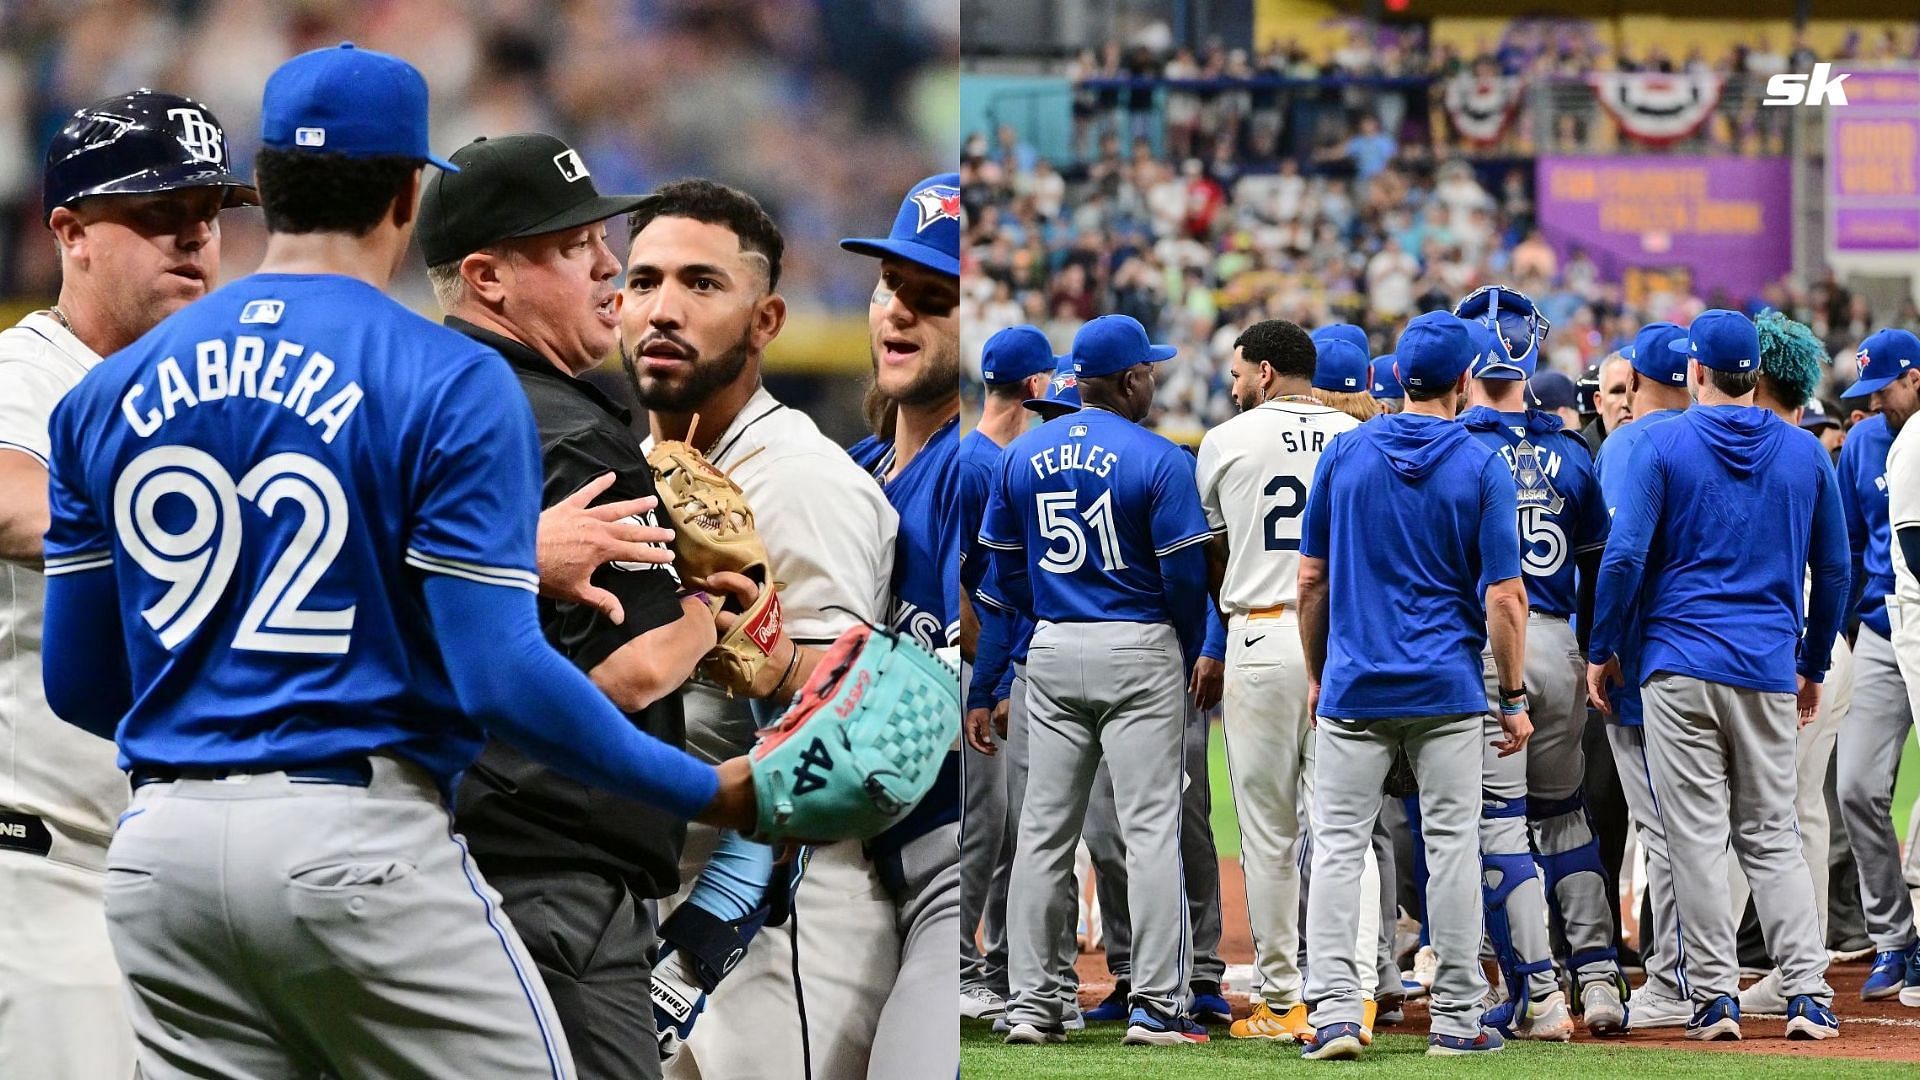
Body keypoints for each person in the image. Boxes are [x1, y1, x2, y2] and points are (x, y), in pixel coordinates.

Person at [39, 45, 765, 1079]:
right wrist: (712, 791)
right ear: (407, 192)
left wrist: (228, 730)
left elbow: (83, 684)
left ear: (272, 184)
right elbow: (500, 677)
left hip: (162, 856)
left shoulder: (100, 397)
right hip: (357, 834)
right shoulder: (450, 377)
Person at [415, 131, 729, 1079]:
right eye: (570, 246)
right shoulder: (568, 427)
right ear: (486, 276)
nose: (609, 266)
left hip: (434, 856)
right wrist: (711, 614)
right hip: (553, 874)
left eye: (605, 237)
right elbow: (631, 672)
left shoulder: (419, 397)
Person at [615, 179, 899, 1080]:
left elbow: (827, 753)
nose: (663, 307)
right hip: (665, 905)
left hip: (781, 929)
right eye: (645, 280)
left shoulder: (797, 481)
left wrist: (704, 938)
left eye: (702, 284)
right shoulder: (630, 469)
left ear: (767, 318)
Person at [0, 87, 256, 1080]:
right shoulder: (28, 371)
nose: (193, 239)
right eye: (155, 215)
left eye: (207, 214)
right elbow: (17, 505)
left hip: (188, 893)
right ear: (71, 232)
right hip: (46, 878)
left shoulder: (221, 398)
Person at [1587, 309, 1848, 1043]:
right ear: (1754, 375)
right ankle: (1806, 992)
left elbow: (1627, 556)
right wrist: (1813, 662)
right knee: (1771, 834)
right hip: (1767, 663)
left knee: (1696, 838)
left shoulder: (1662, 442)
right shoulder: (1804, 454)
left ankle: (1713, 999)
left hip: (1677, 665)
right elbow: (1833, 569)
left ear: (1696, 371)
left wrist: (1604, 647)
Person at [1298, 310, 1529, 1060]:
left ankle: (1335, 1013)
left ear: (1397, 378)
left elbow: (1310, 582)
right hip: (1446, 687)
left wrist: (1316, 671)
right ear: (1466, 382)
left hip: (1356, 684)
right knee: (1454, 851)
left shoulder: (1345, 454)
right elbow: (1505, 597)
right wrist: (1515, 696)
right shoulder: (1481, 463)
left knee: (1337, 850)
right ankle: (1459, 1020)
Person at [983, 314, 1212, 1047]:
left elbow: (1006, 569)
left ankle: (1032, 1004)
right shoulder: (1159, 456)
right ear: (1128, 379)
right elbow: (1184, 577)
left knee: (1043, 836)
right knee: (1150, 831)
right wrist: (1183, 642)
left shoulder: (1023, 453)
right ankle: (1154, 1005)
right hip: (1139, 639)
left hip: (1051, 646)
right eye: (1149, 370)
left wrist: (1044, 611)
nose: (1155, 378)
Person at [1454, 299, 1621, 1039]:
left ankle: (1536, 990)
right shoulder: (1573, 454)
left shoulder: (1456, 449)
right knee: (1565, 814)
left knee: (1499, 825)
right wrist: (1597, 651)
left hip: (1493, 643)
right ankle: (1601, 976)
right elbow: (1598, 567)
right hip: (1563, 640)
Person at [1196, 319, 1359, 1043]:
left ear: (1264, 372)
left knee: (1267, 832)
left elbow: (1212, 552)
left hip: (1260, 629)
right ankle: (1349, 995)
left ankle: (1283, 998)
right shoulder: (1355, 437)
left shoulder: (1228, 439)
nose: (1233, 385)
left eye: (1238, 372)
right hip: (1347, 636)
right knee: (1342, 824)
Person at [842, 172, 965, 1077]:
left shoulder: (978, 465)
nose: (899, 312)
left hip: (952, 862)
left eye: (935, 299)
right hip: (858, 861)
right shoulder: (860, 465)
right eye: (892, 286)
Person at [1736, 312, 1856, 1017]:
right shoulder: (1810, 449)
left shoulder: (1740, 441)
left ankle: (1706, 969)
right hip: (1824, 648)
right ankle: (1797, 967)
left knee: (1742, 817)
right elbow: (1836, 569)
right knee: (1802, 813)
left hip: (1773, 647)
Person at [1590, 320, 1693, 1030]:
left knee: (1662, 827)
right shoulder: (1736, 434)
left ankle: (1678, 979)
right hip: (1748, 657)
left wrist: (1601, 646)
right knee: (1749, 829)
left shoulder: (1634, 443)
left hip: (1647, 660)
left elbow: (1619, 560)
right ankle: (1730, 977)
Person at [958, 326, 1056, 1021]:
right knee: (982, 825)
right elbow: (960, 584)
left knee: (1016, 828)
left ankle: (991, 967)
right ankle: (961, 966)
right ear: (1033, 387)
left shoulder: (1010, 456)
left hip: (1011, 664)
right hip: (982, 667)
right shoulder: (976, 464)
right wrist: (985, 679)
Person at [1833, 329, 1920, 1007]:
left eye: (1883, 389)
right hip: (1883, 636)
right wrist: (1846, 635)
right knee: (1857, 784)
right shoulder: (1862, 443)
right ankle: (1893, 937)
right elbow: (1849, 547)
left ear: (1914, 378)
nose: (1873, 403)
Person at [1581, 354, 1632, 453]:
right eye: (1617, 391)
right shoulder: (1576, 459)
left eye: (1634, 390)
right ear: (1599, 402)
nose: (1626, 403)